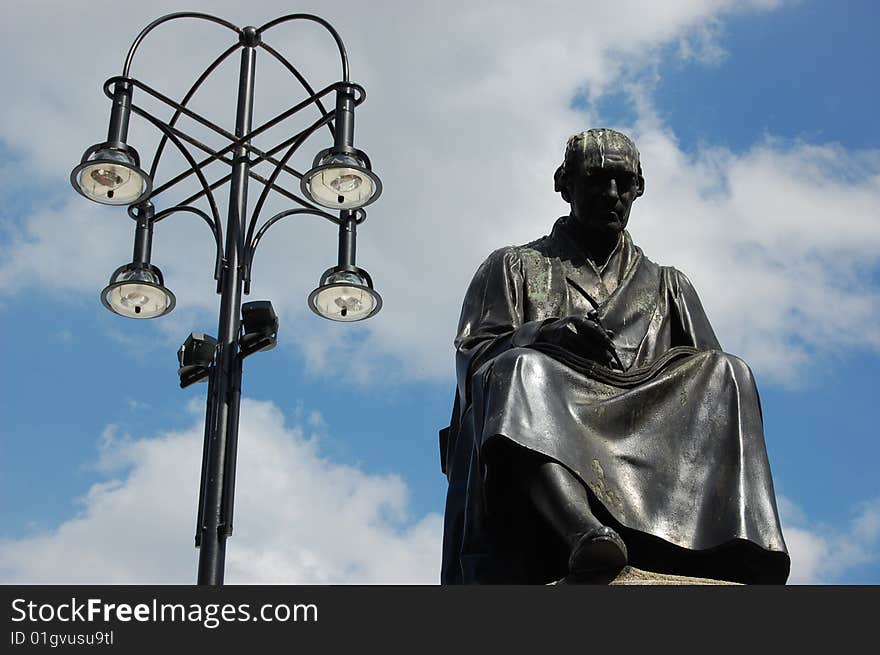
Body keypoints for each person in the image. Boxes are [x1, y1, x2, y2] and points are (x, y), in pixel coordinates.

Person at [439, 129, 790, 584]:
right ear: (564, 184)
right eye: (596, 180)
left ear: (638, 188)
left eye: (623, 183)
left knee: (729, 373)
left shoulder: (668, 285)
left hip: (646, 422)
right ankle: (583, 530)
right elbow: (474, 360)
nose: (611, 194)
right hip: (554, 410)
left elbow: (704, 385)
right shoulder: (514, 266)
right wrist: (544, 334)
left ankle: (741, 545)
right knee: (516, 369)